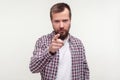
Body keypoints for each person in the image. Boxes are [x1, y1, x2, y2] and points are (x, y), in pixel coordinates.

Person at [29, 2, 89, 80]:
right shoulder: (42, 41)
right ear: (51, 22)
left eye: (65, 20)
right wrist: (50, 51)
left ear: (70, 20)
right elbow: (33, 68)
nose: (61, 26)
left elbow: (85, 70)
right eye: (57, 21)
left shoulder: (78, 44)